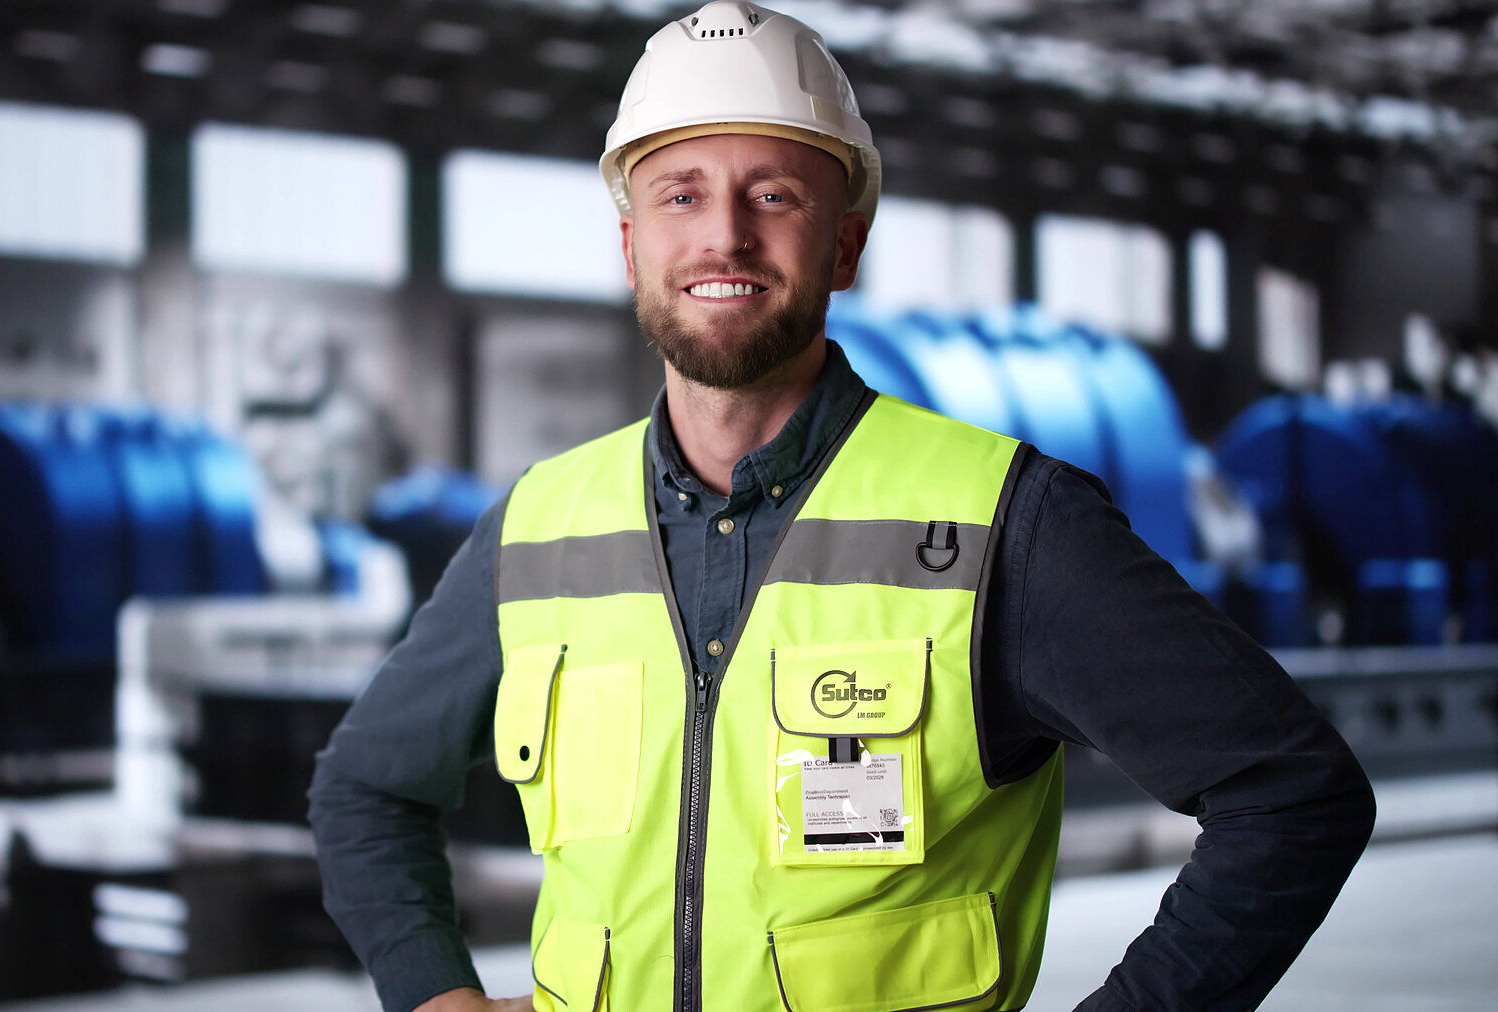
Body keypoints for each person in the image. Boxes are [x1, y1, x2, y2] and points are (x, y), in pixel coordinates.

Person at [309, 4, 1375, 1010]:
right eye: (679, 195)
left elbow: (1290, 793)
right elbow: (364, 789)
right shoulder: (539, 527)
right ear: (632, 248)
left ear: (846, 246)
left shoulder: (1003, 523)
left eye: (773, 195)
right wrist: (433, 990)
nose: (725, 236)